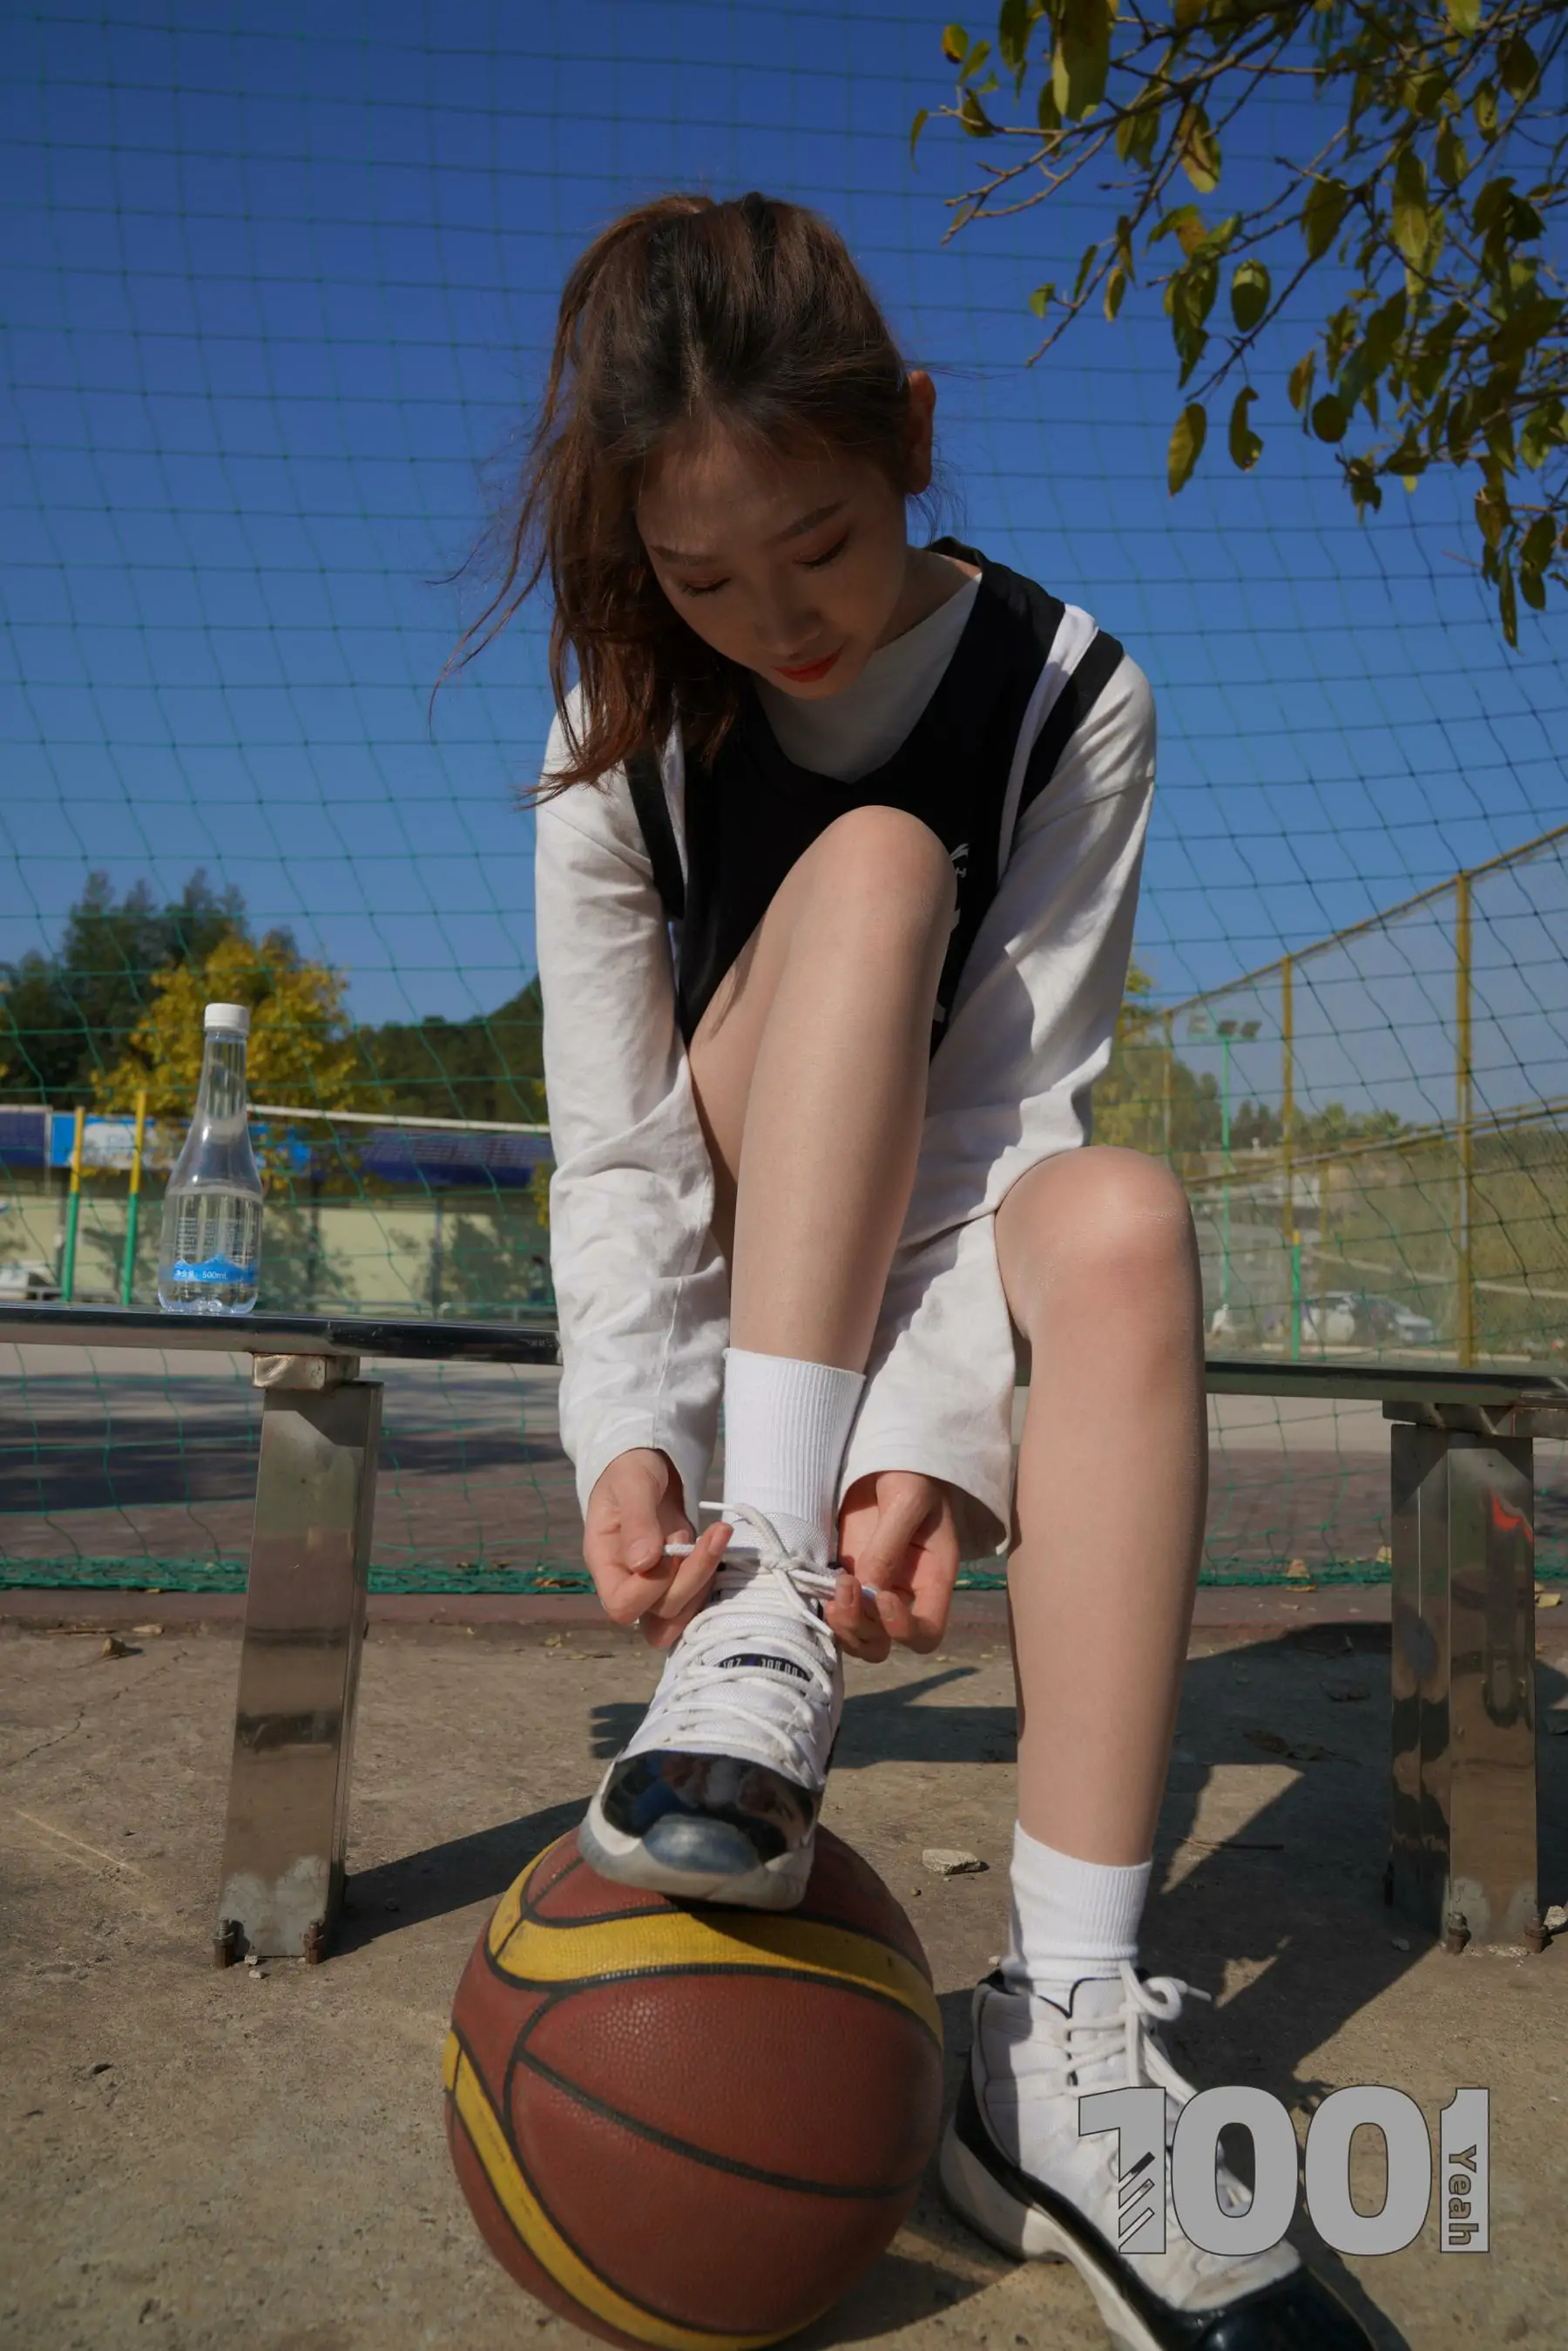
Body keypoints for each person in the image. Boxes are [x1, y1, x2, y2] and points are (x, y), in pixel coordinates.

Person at [465, 191, 1371, 2351]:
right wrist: (637, 1435)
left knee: (1126, 1217)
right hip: (738, 1269)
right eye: (702, 576)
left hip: (955, 1227)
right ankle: (761, 1604)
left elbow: (1017, 1112)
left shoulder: (1069, 693)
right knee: (871, 865)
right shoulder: (618, 740)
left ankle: (1065, 2042)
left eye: (822, 544)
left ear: (915, 436)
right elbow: (621, 1148)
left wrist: (942, 1440)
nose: (774, 619)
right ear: (635, 548)